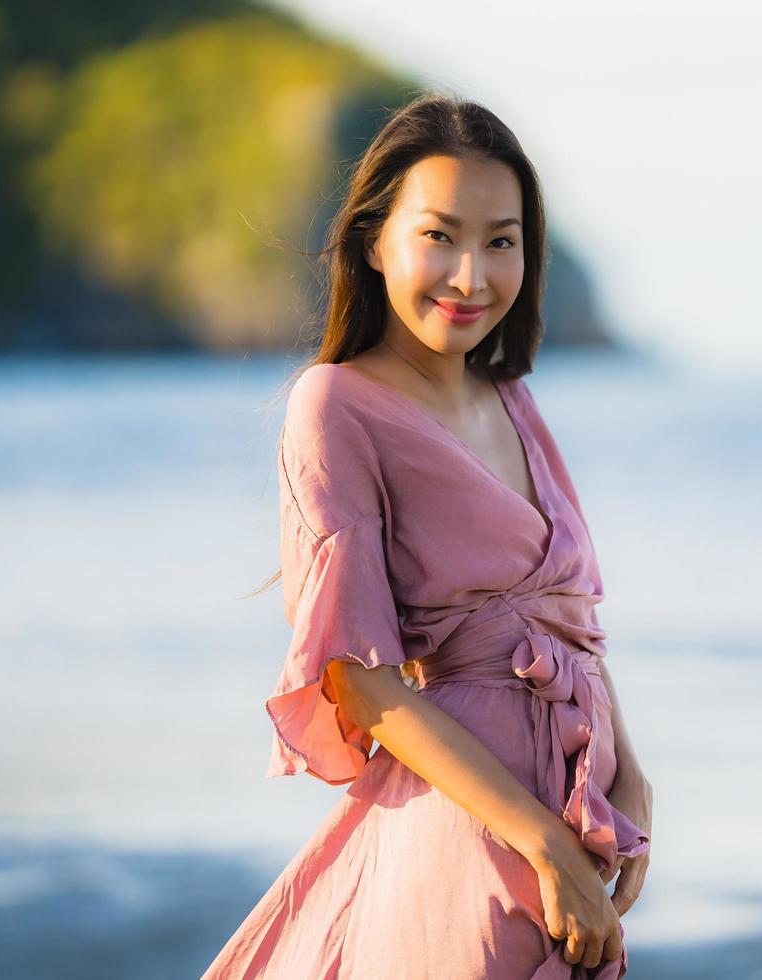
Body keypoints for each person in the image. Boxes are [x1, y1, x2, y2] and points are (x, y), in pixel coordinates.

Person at [203, 91, 653, 979]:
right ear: (375, 241)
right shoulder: (333, 406)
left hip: (566, 830)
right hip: (470, 836)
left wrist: (631, 780)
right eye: (439, 235)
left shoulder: (511, 401)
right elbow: (360, 681)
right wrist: (541, 844)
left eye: (501, 240)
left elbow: (573, 628)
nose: (470, 276)